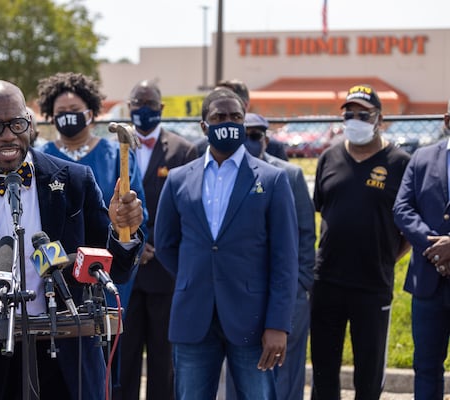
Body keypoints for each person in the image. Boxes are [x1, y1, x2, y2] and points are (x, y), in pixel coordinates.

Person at [0, 79, 144, 400]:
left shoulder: (75, 181)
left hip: (68, 358)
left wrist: (124, 233)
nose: (8, 135)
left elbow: (113, 271)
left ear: (30, 124)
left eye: (17, 123)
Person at [154, 88, 298, 400]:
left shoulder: (272, 180)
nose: (228, 123)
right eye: (219, 117)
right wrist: (196, 276)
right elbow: (165, 243)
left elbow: (285, 258)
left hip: (254, 321)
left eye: (235, 117)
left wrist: (278, 324)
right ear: (204, 126)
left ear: (245, 123)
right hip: (193, 317)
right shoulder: (179, 179)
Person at [36, 71, 148, 395]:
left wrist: (127, 222)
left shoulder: (116, 154)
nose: (68, 117)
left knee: (101, 369)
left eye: (75, 109)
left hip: (102, 274)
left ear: (91, 112)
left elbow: (135, 213)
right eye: (60, 112)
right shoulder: (40, 157)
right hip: (52, 276)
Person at [311, 84, 411, 399]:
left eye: (363, 114)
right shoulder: (328, 158)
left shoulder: (399, 162)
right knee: (324, 371)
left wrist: (386, 256)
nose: (355, 119)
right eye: (349, 114)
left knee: (368, 375)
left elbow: (409, 224)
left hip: (372, 283)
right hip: (326, 280)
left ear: (379, 119)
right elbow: (321, 209)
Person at [225, 112, 315, 400]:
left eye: (256, 135)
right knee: (241, 374)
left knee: (285, 374)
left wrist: (299, 285)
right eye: (245, 134)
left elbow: (305, 234)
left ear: (266, 139)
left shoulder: (289, 175)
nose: (250, 141)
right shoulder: (226, 177)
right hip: (240, 294)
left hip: (286, 293)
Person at [118, 80, 197, 400]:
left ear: (161, 109)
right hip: (127, 273)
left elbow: (186, 208)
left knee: (164, 361)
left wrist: (157, 246)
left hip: (165, 272)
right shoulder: (117, 148)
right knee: (125, 357)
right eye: (137, 105)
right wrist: (136, 244)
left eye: (149, 105)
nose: (143, 111)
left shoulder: (182, 150)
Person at [392, 99, 450, 399]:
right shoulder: (423, 158)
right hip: (427, 284)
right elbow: (402, 208)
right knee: (426, 367)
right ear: (446, 120)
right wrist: (434, 246)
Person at [193, 79, 288, 161]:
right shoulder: (198, 149)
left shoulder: (270, 147)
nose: (216, 102)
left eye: (226, 97)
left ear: (244, 106)